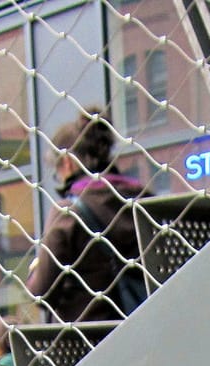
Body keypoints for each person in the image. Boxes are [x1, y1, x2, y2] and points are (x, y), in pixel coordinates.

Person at [27, 108, 147, 323]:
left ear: (67, 162)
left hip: (86, 343)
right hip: (146, 332)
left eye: (57, 172)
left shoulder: (68, 212)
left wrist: (36, 270)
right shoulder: (144, 199)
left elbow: (42, 293)